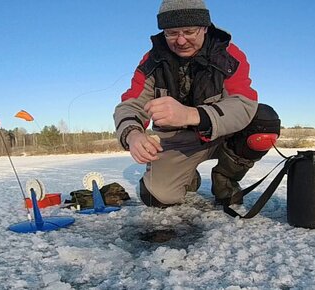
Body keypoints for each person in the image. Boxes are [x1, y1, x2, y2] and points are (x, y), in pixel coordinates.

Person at [113, 0, 281, 208]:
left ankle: (226, 177)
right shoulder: (151, 61)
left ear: (204, 27)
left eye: (189, 31)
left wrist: (191, 115)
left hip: (222, 136)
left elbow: (243, 103)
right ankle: (188, 177)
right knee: (156, 197)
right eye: (172, 33)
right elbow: (130, 105)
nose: (181, 41)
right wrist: (133, 134)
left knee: (264, 120)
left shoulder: (228, 55)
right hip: (177, 142)